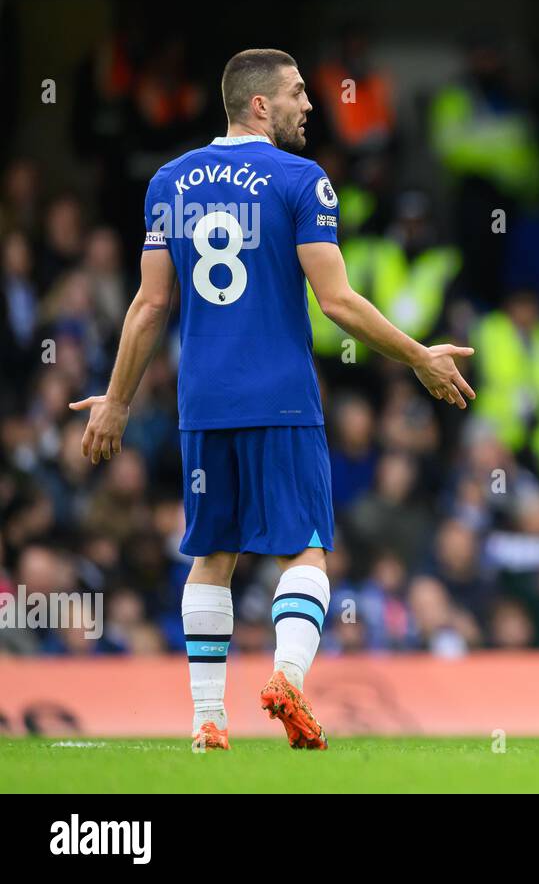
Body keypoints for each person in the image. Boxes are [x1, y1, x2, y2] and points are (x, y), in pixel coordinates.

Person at [69, 49, 474, 752]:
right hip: (282, 400)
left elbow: (147, 305)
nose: (309, 105)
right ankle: (286, 677)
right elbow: (338, 301)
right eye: (295, 94)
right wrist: (419, 358)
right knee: (306, 551)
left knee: (212, 553)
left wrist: (116, 400)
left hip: (203, 402)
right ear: (260, 105)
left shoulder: (168, 182)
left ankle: (205, 720)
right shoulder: (301, 180)